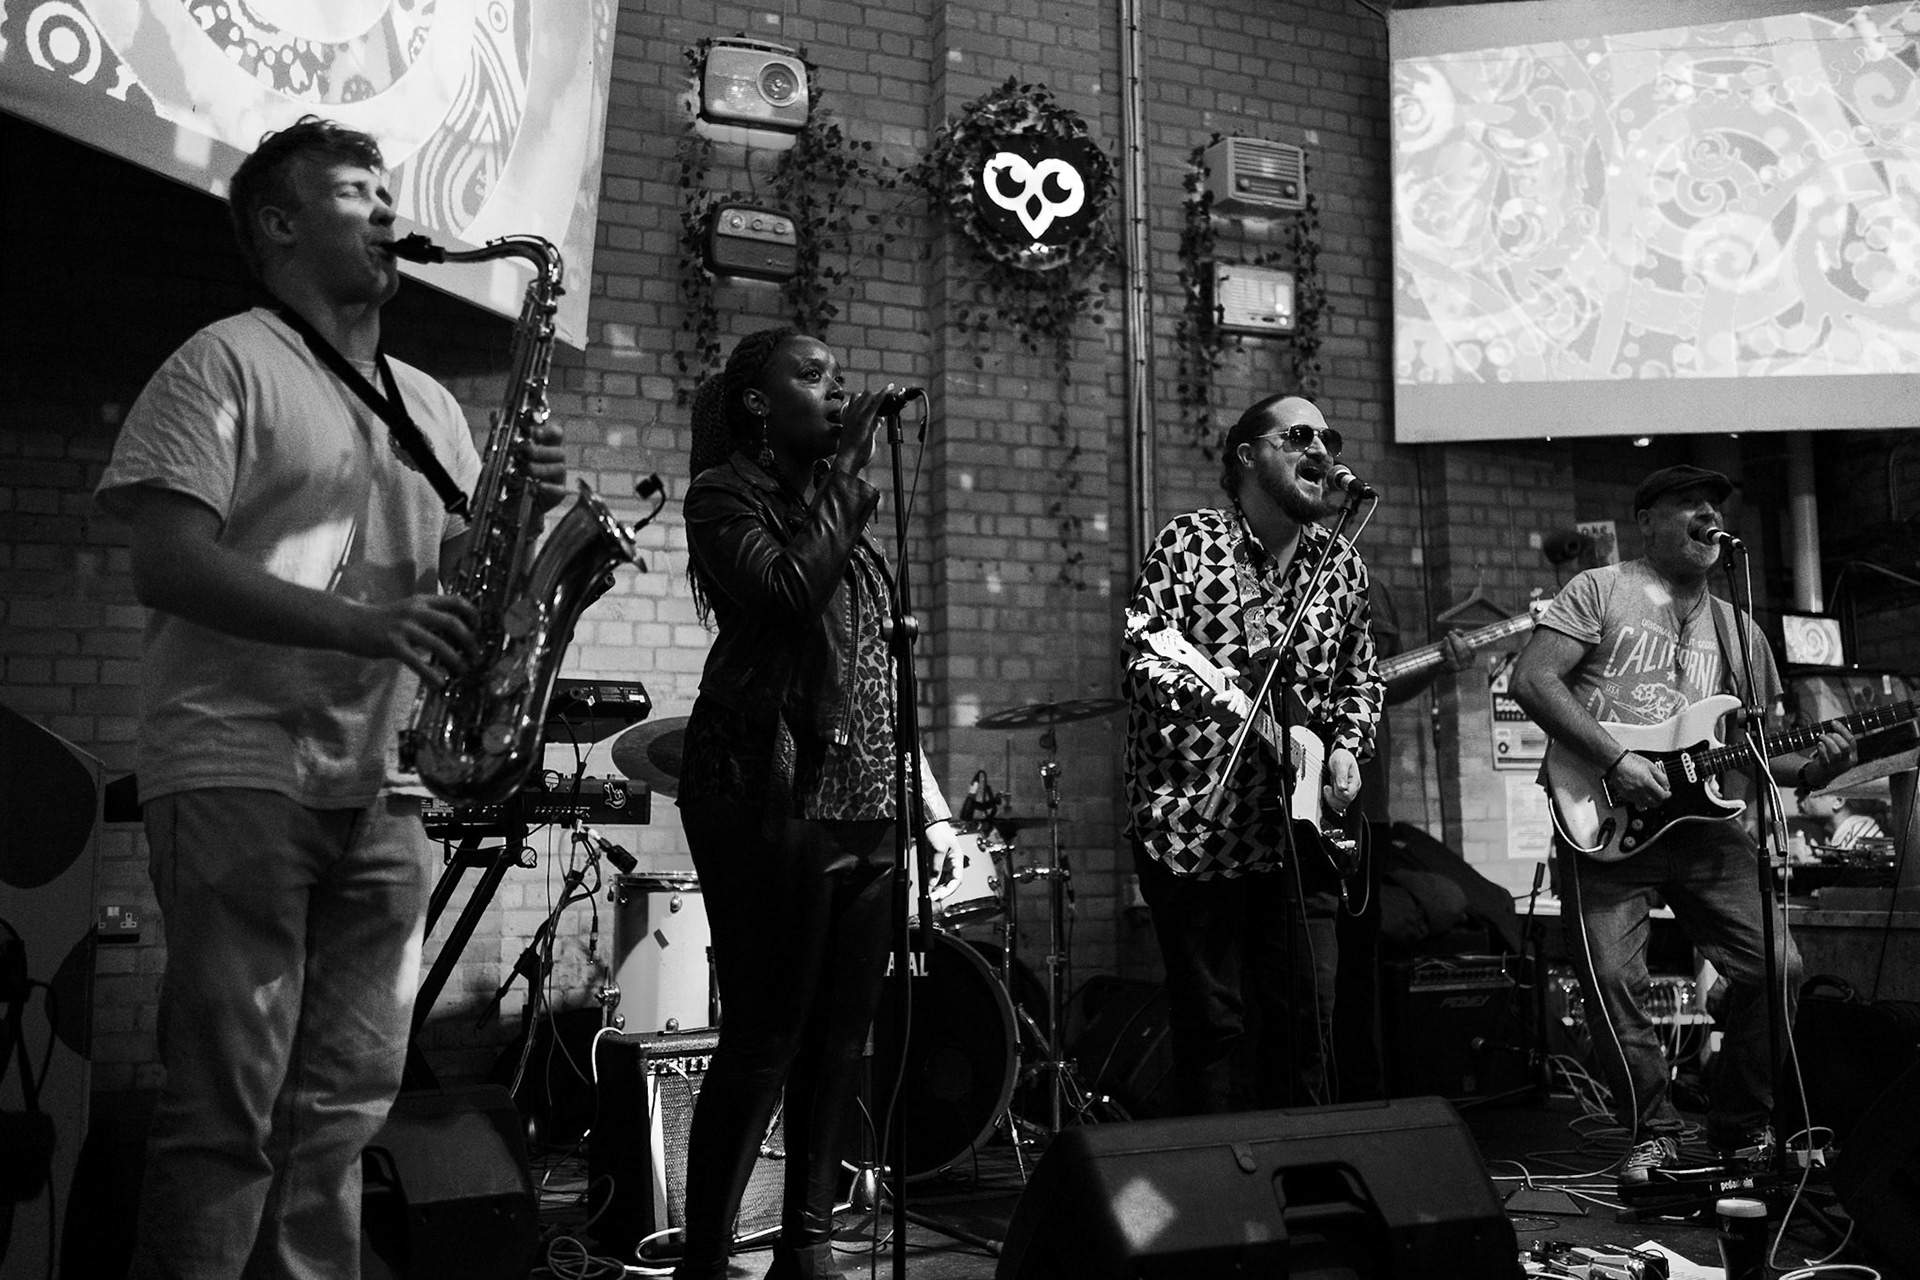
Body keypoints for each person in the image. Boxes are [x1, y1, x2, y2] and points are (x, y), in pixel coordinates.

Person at [93, 116, 568, 1277]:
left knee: (343, 1115)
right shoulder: (223, 362)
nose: (391, 213)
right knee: (226, 1111)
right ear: (279, 223)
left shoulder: (431, 405)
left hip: (385, 781)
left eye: (389, 190)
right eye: (359, 192)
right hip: (236, 765)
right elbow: (166, 561)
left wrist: (529, 513)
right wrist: (360, 623)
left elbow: (465, 580)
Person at [1509, 464, 1855, 1191]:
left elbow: (1756, 751)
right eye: (1689, 504)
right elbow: (1532, 680)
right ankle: (1655, 1133)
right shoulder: (1600, 589)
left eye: (1714, 506)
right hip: (1605, 815)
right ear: (1646, 520)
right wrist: (1616, 758)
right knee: (1613, 982)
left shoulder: (1739, 628)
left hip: (1704, 825)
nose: (1707, 515)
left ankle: (1740, 1123)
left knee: (1778, 969)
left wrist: (1814, 768)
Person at [671, 327, 912, 1280]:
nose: (837, 389)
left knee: (840, 1040)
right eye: (812, 376)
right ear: (757, 403)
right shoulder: (722, 495)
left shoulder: (833, 509)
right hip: (765, 790)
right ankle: (704, 1257)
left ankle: (807, 1246)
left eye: (837, 374)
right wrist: (849, 478)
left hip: (865, 800)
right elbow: (783, 592)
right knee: (767, 1033)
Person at [1122, 393, 1383, 1114]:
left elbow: (1360, 679)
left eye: (1328, 437)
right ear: (1247, 455)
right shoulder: (1189, 544)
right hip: (1196, 827)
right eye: (1299, 436)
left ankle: (1302, 1172)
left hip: (1302, 836)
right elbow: (1144, 657)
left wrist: (1347, 747)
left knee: (1307, 1023)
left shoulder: (1341, 565)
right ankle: (1217, 1174)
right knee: (1213, 1027)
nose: (1321, 450)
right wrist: (1212, 700)